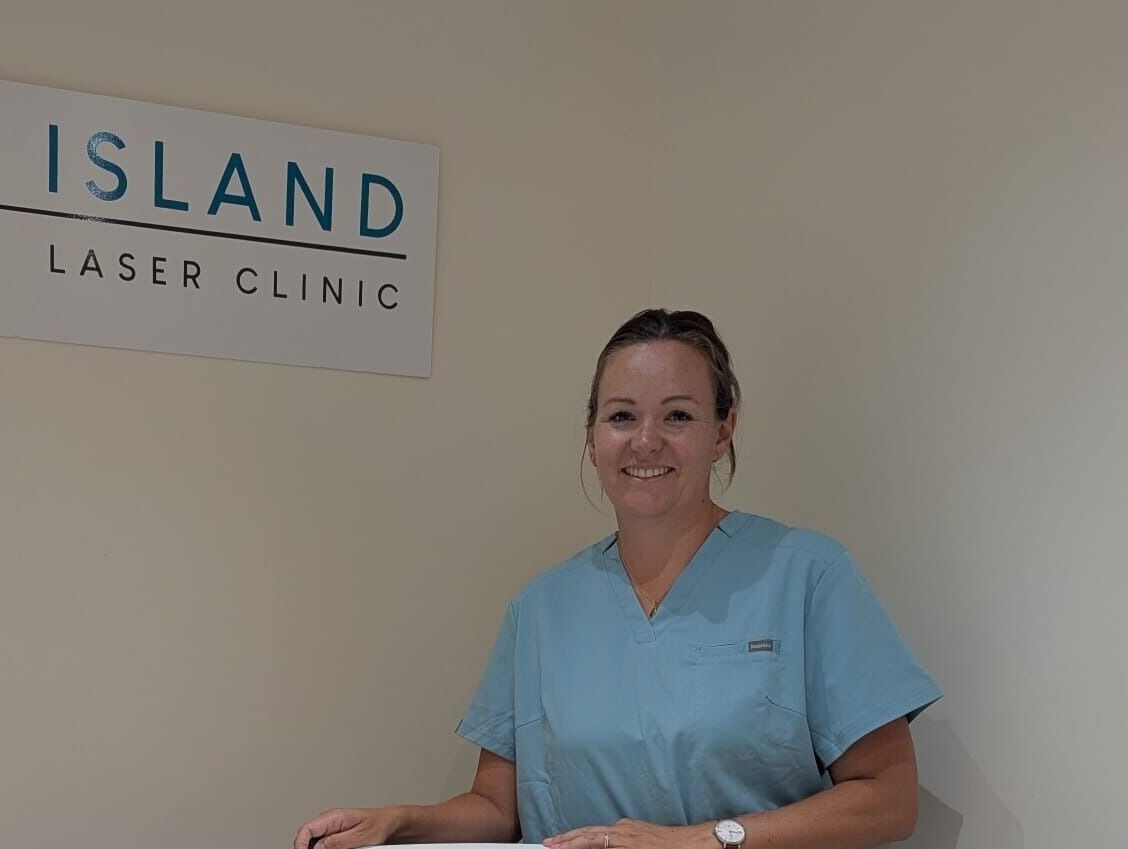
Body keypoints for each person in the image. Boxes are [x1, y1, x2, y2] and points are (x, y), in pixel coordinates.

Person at [293, 309, 941, 849]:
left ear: (724, 430)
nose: (646, 441)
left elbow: (890, 799)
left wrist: (704, 839)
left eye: (679, 416)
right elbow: (499, 808)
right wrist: (402, 821)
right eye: (622, 416)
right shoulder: (542, 608)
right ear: (592, 435)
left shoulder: (807, 574)